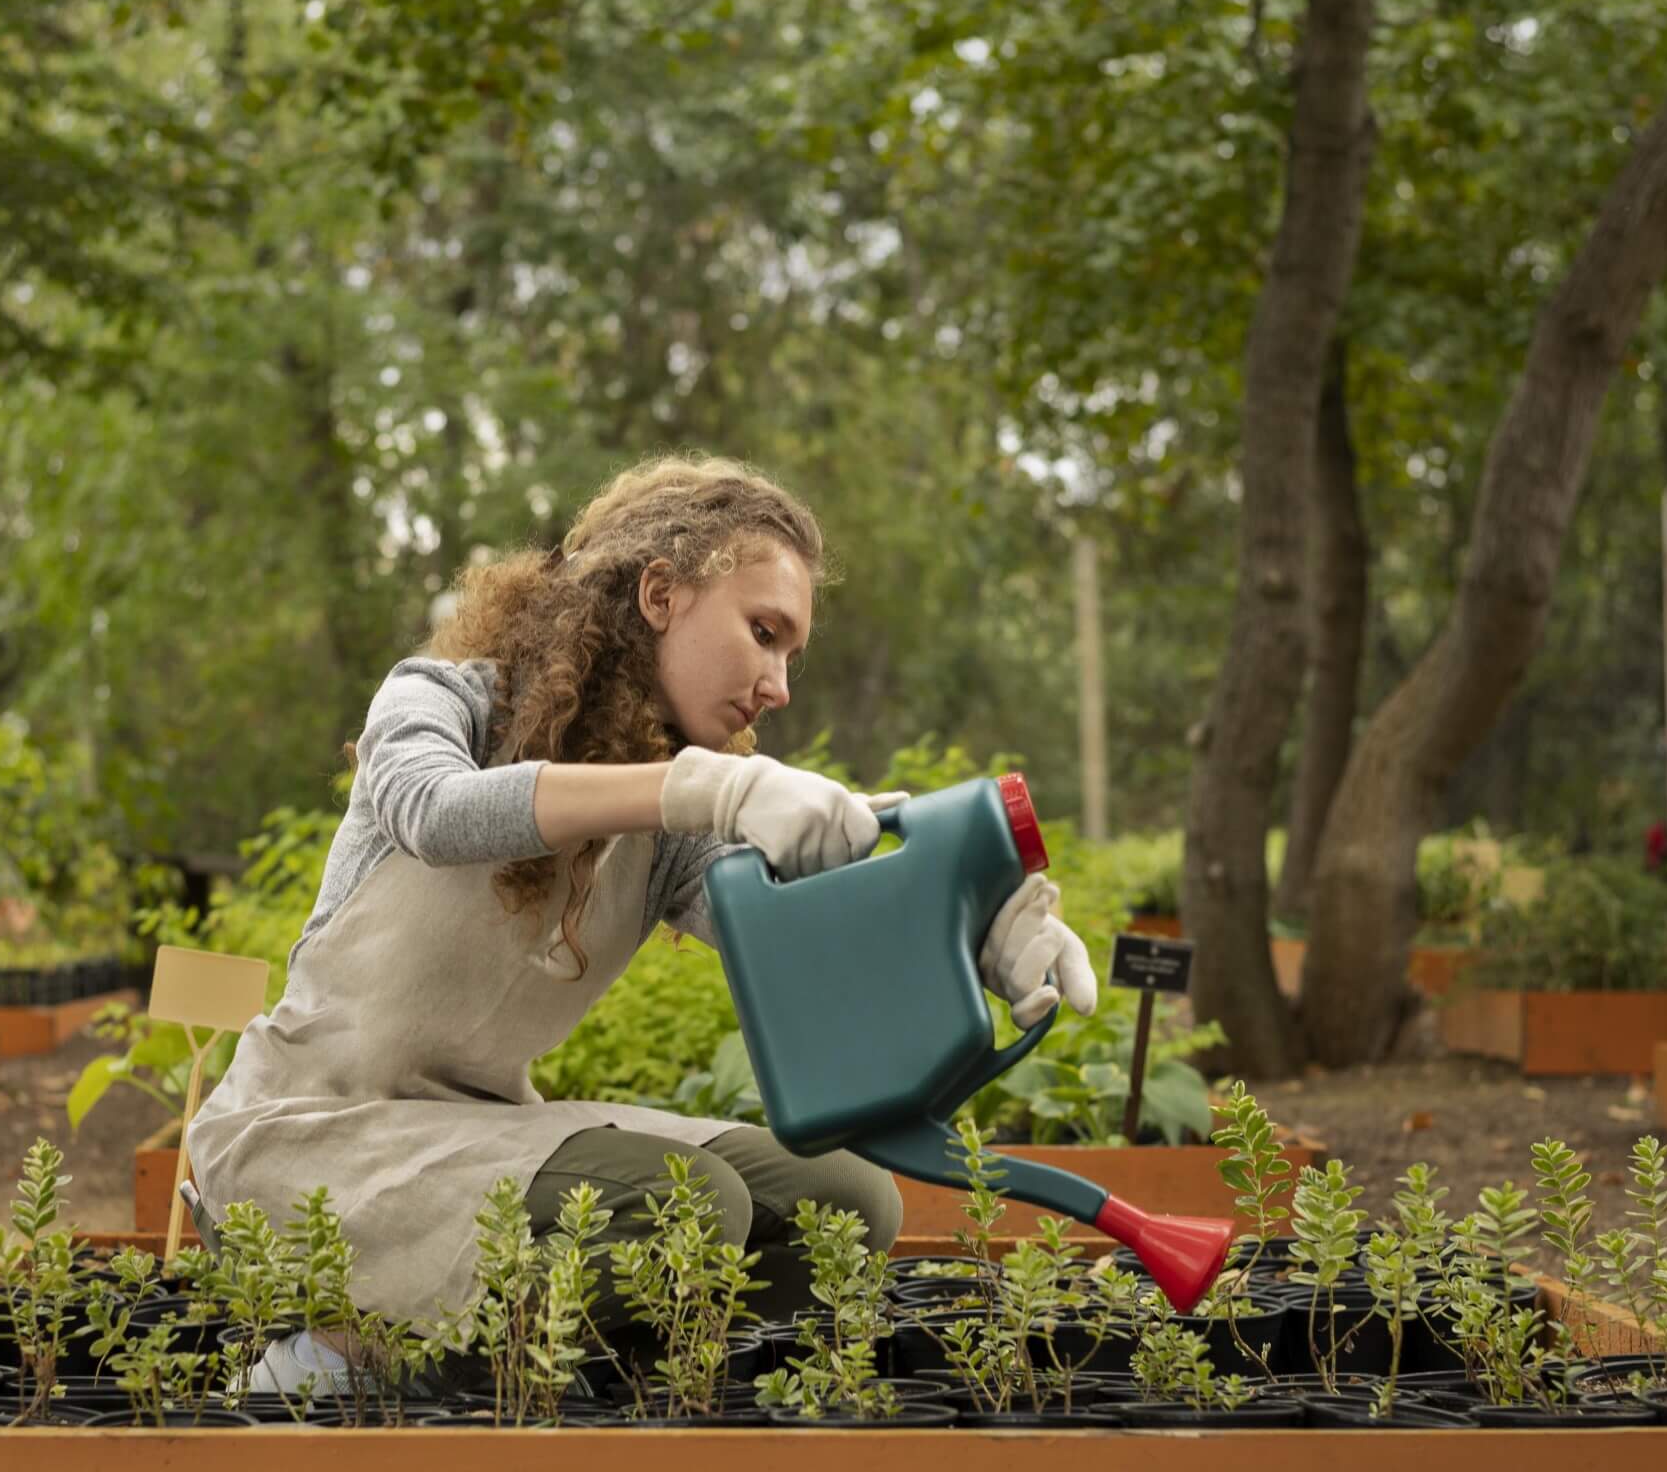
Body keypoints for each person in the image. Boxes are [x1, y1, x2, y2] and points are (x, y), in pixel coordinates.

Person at [186, 455, 1097, 1390]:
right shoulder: (442, 699)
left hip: (475, 1138)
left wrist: (978, 930)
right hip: (305, 1139)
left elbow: (809, 930)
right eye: (763, 631)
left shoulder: (663, 835)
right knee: (687, 1205)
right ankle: (350, 1358)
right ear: (660, 591)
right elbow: (432, 809)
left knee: (845, 1199)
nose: (779, 683)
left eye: (792, 652)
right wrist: (699, 786)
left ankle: (589, 1388)